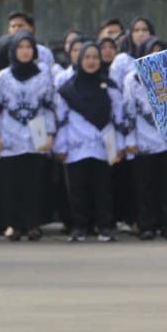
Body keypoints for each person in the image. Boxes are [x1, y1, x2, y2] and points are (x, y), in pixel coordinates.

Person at [54, 41, 125, 242]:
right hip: (75, 146)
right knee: (77, 190)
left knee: (103, 189)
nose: (91, 61)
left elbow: (118, 118)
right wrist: (60, 146)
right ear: (79, 59)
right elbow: (60, 119)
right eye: (87, 57)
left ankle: (104, 227)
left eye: (95, 57)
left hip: (103, 146)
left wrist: (119, 145)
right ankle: (79, 227)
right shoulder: (67, 89)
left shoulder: (110, 87)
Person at [0, 30, 56, 240]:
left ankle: (33, 224)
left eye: (29, 47)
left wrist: (50, 134)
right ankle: (13, 224)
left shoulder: (43, 76)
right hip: (9, 135)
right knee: (11, 183)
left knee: (33, 183)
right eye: (20, 47)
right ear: (13, 50)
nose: (25, 52)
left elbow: (49, 107)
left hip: (35, 136)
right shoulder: (3, 77)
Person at [123, 37, 167, 239]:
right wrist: (129, 141)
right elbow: (128, 112)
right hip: (143, 142)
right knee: (145, 187)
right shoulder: (132, 79)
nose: (155, 56)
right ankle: (147, 226)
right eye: (150, 52)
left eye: (159, 52)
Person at [6, 11, 55, 75]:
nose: (16, 29)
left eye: (20, 26)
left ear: (31, 28)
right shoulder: (4, 50)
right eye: (13, 26)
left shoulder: (44, 52)